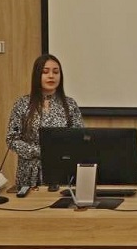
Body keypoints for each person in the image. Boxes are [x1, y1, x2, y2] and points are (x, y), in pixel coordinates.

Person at [6, 53, 85, 188]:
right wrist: (38, 151)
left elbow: (79, 137)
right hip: (30, 172)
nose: (51, 76)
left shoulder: (70, 104)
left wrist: (60, 152)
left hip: (61, 169)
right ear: (37, 75)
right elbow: (12, 139)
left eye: (56, 72)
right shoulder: (22, 104)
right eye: (45, 72)